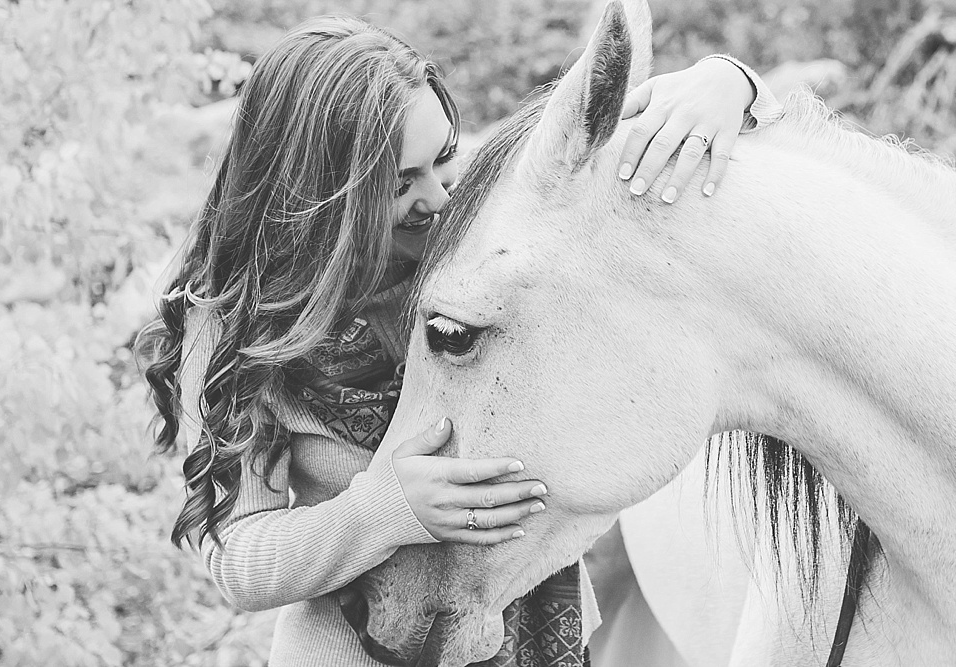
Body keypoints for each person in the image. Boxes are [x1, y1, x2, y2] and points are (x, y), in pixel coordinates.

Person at [137, 14, 780, 667]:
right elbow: (241, 562)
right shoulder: (232, 331)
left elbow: (611, 134)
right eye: (399, 183)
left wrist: (730, 83)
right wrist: (383, 509)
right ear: (319, 193)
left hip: (543, 638)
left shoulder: (473, 232)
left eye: (443, 157)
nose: (439, 194)